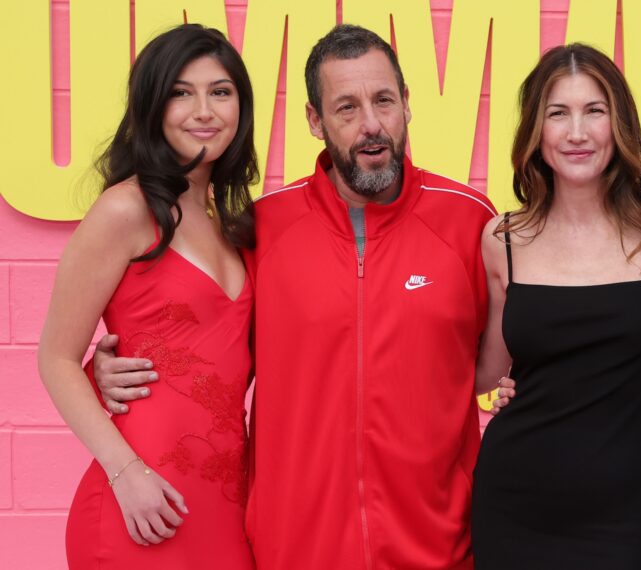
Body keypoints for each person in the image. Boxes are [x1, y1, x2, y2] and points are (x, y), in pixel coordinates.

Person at [93, 24, 495, 569]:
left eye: (383, 101)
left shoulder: (470, 220)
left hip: (438, 548)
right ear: (315, 120)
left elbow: (514, 344)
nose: (371, 124)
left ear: (406, 104)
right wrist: (106, 364)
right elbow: (208, 340)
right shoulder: (262, 227)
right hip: (293, 550)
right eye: (346, 108)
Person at [468, 43, 641, 569]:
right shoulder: (504, 238)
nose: (577, 133)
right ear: (535, 131)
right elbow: (486, 372)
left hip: (632, 510)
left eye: (594, 111)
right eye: (558, 113)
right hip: (516, 505)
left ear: (619, 124)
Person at [37, 25, 257, 569]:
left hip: (227, 506)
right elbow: (55, 358)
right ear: (153, 105)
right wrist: (126, 474)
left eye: (220, 91)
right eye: (182, 92)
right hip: (140, 502)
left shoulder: (232, 225)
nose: (203, 109)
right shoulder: (125, 209)